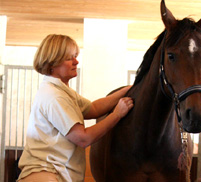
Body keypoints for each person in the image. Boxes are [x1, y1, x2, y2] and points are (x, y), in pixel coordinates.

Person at [17, 34, 134, 182]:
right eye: (69, 58)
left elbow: (93, 108)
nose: (76, 61)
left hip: (56, 172)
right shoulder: (55, 96)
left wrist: (128, 90)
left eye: (75, 56)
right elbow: (83, 138)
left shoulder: (62, 91)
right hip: (46, 174)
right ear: (52, 64)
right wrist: (117, 114)